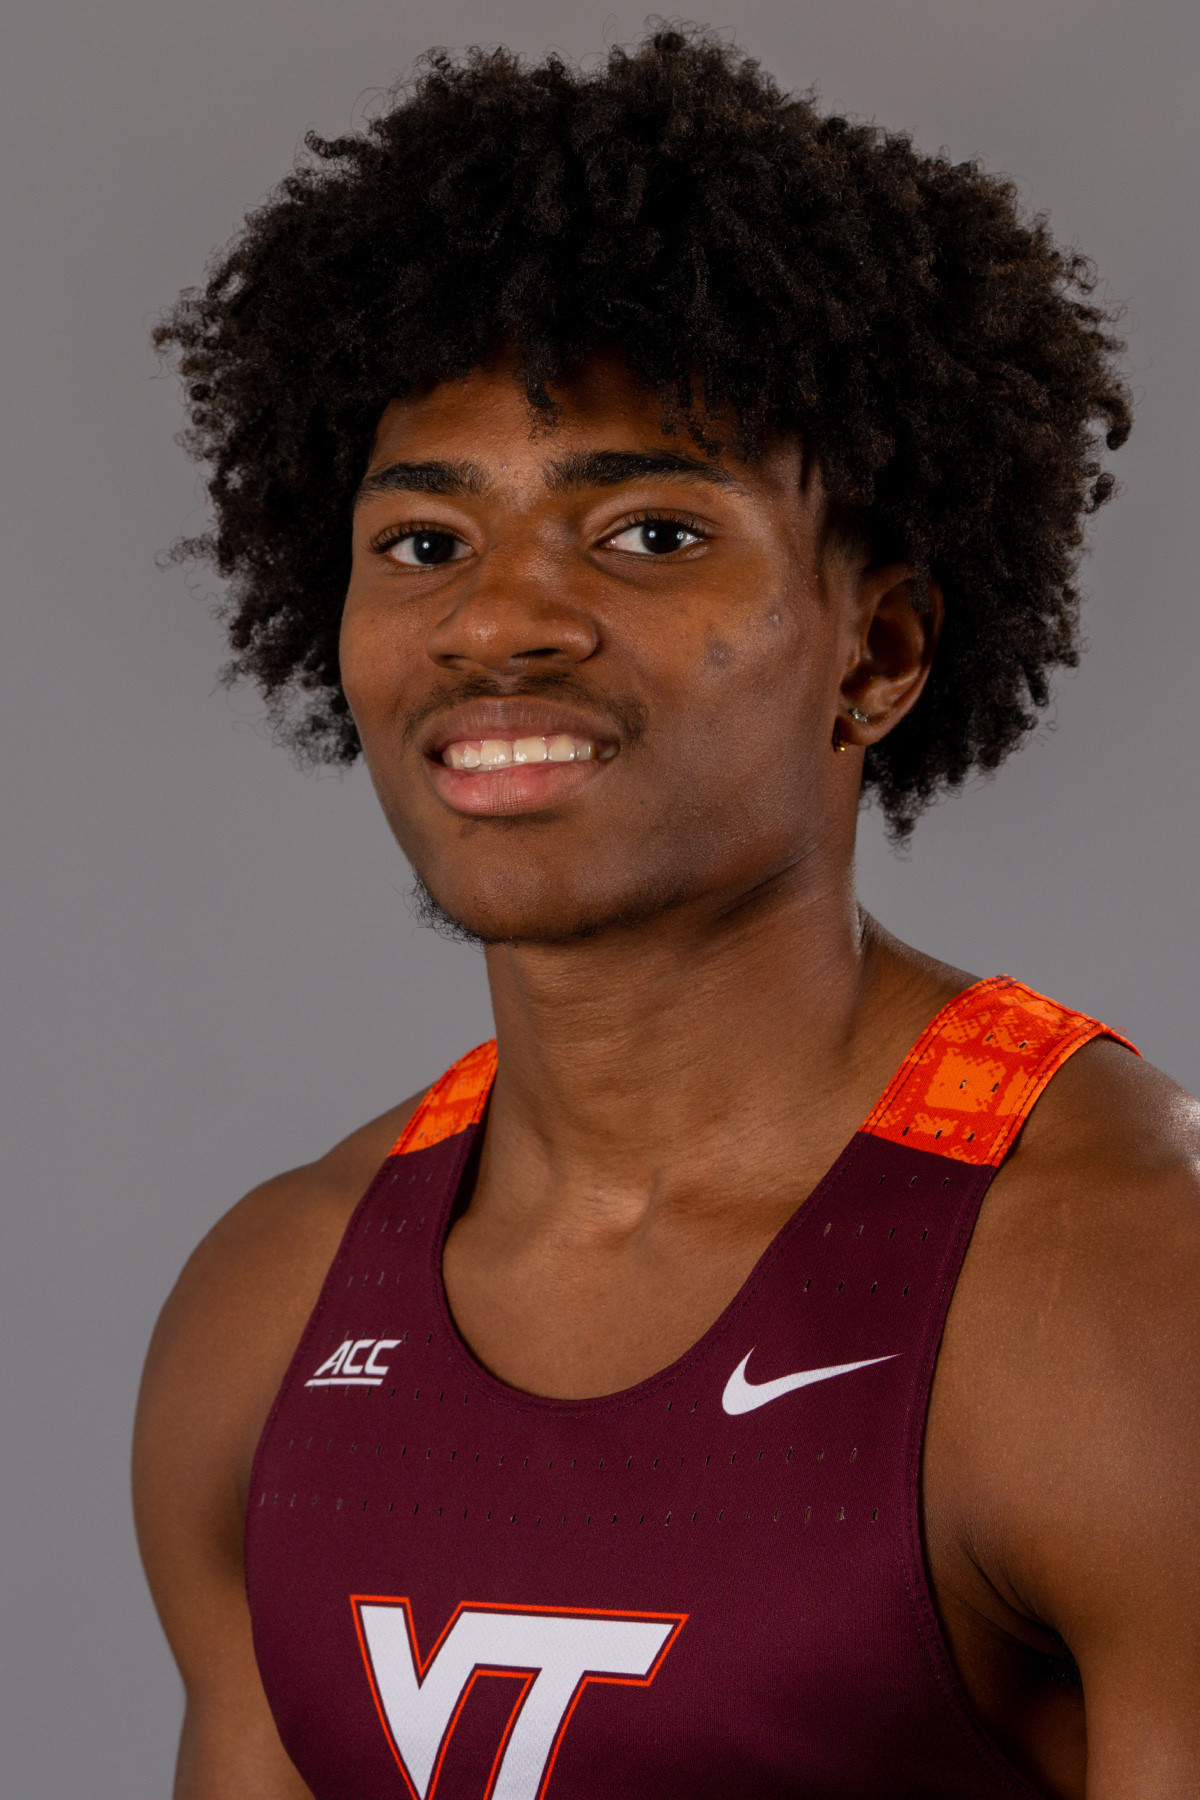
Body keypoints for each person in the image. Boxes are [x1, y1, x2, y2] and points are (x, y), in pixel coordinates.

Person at [132, 29, 1200, 1800]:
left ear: (879, 651)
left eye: (647, 534)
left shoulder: (1127, 1285)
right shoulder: (276, 1305)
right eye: (424, 545)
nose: (496, 621)